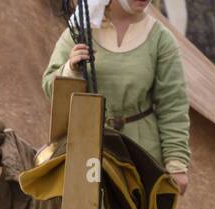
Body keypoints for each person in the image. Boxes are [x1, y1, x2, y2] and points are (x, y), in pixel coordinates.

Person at [43, 0, 191, 195]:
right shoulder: (81, 31)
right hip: (89, 147)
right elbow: (49, 88)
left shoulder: (161, 39)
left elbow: (173, 106)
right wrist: (70, 70)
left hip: (142, 150)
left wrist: (176, 163)